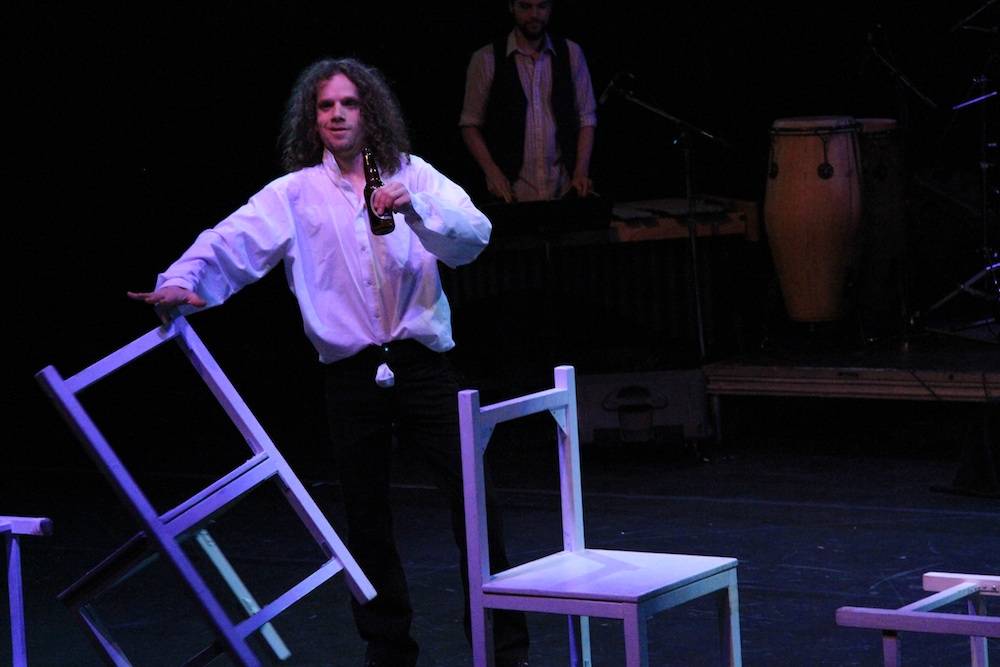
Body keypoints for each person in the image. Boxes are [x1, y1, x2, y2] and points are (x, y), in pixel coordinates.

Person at [128, 57, 529, 667]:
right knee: (365, 521)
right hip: (351, 377)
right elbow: (231, 241)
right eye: (325, 106)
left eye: (349, 103)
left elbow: (473, 236)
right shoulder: (295, 194)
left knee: (476, 504)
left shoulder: (413, 173)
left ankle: (503, 649)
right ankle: (388, 652)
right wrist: (184, 280)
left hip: (423, 367)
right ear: (312, 119)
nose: (338, 114)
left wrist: (417, 207)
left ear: (370, 112)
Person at [459, 0, 597, 203]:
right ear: (511, 7)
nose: (534, 14)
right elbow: (470, 123)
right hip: (511, 193)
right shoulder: (487, 58)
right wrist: (493, 172)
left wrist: (580, 172)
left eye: (541, 7)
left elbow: (586, 118)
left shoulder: (571, 53)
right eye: (525, 7)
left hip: (564, 189)